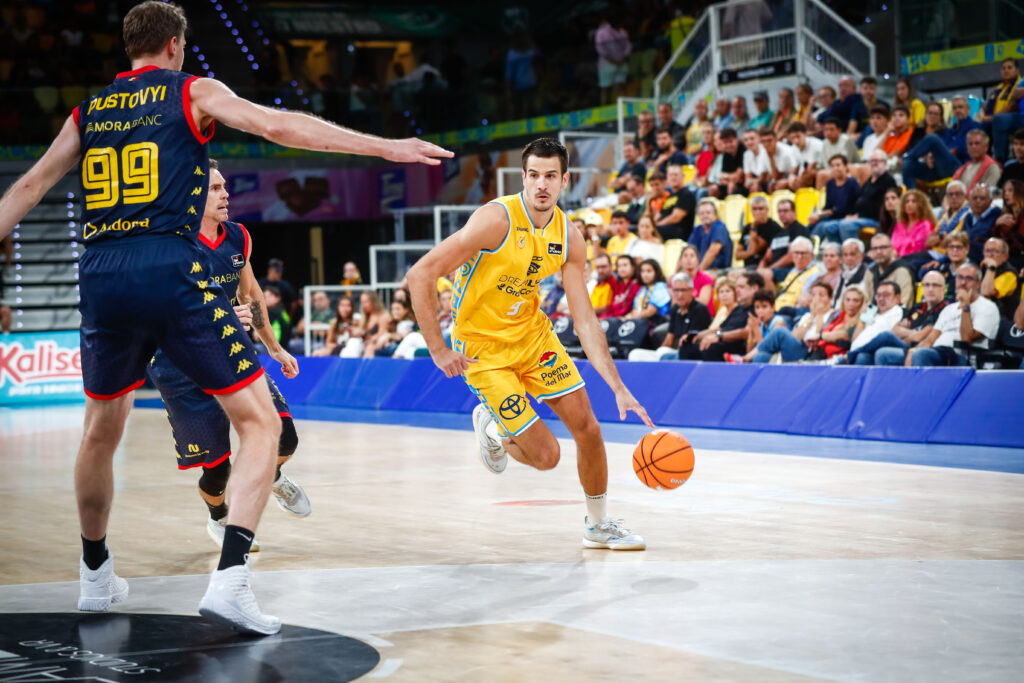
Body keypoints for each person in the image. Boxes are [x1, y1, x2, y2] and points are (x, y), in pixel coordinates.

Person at [0, 0, 450, 636]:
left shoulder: (88, 110)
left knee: (99, 432)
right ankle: (232, 581)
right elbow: (280, 127)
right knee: (260, 422)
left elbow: (28, 189)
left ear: (130, 49)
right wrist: (385, 146)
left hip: (100, 272)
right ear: (177, 45)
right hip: (168, 267)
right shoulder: (193, 90)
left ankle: (95, 576)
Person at [406, 138, 652, 551]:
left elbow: (586, 320)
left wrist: (618, 386)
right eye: (534, 175)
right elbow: (420, 274)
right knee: (547, 456)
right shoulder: (494, 221)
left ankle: (598, 524)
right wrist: (438, 349)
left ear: (564, 181)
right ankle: (494, 427)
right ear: (523, 178)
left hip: (533, 338)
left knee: (588, 427)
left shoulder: (570, 236)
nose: (541, 184)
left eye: (550, 176)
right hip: (482, 352)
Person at [146, 160, 310, 559]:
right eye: (215, 189)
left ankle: (268, 474)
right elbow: (153, 311)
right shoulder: (169, 244)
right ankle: (218, 514)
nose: (225, 194)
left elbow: (250, 296)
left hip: (232, 352)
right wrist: (213, 314)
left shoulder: (237, 237)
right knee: (217, 469)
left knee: (285, 436)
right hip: (181, 363)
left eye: (224, 187)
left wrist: (275, 347)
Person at [906, 263, 1000, 366]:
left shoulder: (988, 307)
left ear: (978, 284)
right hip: (938, 353)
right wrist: (912, 352)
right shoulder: (949, 309)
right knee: (894, 354)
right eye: (959, 278)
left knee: (921, 355)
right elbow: (930, 339)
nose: (963, 283)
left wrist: (966, 306)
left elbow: (967, 337)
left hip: (964, 357)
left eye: (969, 279)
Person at [854, 271, 950, 365]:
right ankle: (855, 358)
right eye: (926, 285)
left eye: (935, 285)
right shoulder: (917, 307)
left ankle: (851, 355)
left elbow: (922, 337)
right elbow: (896, 330)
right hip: (906, 346)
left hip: (924, 350)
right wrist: (914, 334)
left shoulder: (946, 309)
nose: (930, 289)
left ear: (944, 289)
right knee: (863, 356)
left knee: (885, 339)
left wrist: (909, 334)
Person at [726, 281, 835, 363]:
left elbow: (819, 338)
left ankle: (744, 359)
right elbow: (795, 337)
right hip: (794, 349)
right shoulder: (807, 316)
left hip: (811, 353)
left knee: (779, 331)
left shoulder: (833, 315)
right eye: (813, 294)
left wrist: (819, 315)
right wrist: (811, 317)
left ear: (830, 299)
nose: (816, 298)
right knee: (760, 357)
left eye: (821, 295)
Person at [900, 97, 982, 189]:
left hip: (959, 167)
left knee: (932, 138)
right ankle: (911, 198)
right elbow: (942, 149)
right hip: (939, 167)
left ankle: (906, 156)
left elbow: (972, 149)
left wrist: (953, 150)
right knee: (907, 166)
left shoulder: (975, 127)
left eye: (960, 107)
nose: (957, 110)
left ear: (968, 109)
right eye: (954, 108)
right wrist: (931, 156)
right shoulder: (949, 131)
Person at [629, 272, 711, 361]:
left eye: (683, 290)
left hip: (689, 354)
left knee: (663, 353)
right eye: (676, 290)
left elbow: (691, 340)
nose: (680, 295)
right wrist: (659, 352)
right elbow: (669, 339)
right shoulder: (675, 309)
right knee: (635, 354)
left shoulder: (699, 309)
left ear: (691, 290)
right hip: (671, 352)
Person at [694, 271, 761, 361]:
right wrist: (696, 335)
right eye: (737, 287)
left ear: (754, 288)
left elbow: (745, 332)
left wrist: (719, 336)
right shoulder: (739, 309)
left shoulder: (757, 308)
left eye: (741, 287)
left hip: (737, 346)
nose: (737, 290)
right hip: (723, 340)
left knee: (710, 347)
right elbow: (720, 328)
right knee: (689, 346)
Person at [846, 281, 906, 363]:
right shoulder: (872, 313)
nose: (881, 299)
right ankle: (853, 354)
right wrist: (862, 319)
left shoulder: (902, 311)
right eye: (878, 296)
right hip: (868, 351)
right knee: (862, 357)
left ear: (898, 298)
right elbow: (855, 341)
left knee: (885, 335)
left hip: (890, 347)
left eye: (886, 295)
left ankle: (850, 356)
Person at [808, 155, 860, 243]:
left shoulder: (852, 182)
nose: (835, 168)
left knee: (822, 225)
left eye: (838, 165)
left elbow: (842, 209)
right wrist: (817, 214)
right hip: (832, 216)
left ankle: (811, 248)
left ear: (845, 166)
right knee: (809, 226)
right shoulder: (830, 184)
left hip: (846, 217)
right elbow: (828, 205)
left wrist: (820, 214)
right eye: (832, 166)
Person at [759, 199, 809, 282]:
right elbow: (766, 257)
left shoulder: (798, 229)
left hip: (790, 270)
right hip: (773, 269)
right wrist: (760, 268)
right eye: (779, 211)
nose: (782, 214)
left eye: (785, 211)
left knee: (765, 274)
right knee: (738, 274)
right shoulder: (777, 232)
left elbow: (790, 257)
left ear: (794, 212)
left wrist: (769, 268)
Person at [984, 58, 1024, 163]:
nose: (1006, 70)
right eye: (1003, 68)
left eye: (1009, 68)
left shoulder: (1019, 82)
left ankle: (1000, 160)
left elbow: (1014, 102)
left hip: (1016, 117)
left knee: (999, 120)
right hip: (998, 119)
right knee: (979, 126)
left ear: (1017, 70)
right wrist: (983, 115)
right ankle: (984, 161)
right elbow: (985, 106)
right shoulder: (998, 88)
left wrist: (992, 117)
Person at [868, 234, 916, 308]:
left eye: (883, 247)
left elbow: (903, 302)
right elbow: (867, 301)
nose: (878, 251)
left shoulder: (902, 271)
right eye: (875, 248)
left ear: (892, 248)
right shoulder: (870, 272)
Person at [951, 130, 1003, 196]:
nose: (973, 147)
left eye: (977, 143)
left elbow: (986, 195)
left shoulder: (993, 167)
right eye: (970, 144)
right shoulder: (963, 169)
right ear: (967, 148)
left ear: (986, 147)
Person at [979, 237, 1020, 318]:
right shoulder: (982, 269)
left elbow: (986, 292)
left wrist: (991, 267)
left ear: (1005, 256)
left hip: (1002, 319)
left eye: (995, 251)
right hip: (984, 314)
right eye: (987, 251)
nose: (990, 255)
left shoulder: (1009, 274)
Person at [736, 195, 780, 268]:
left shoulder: (772, 227)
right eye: (754, 209)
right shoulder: (747, 227)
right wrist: (750, 253)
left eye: (760, 209)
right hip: (746, 266)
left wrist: (753, 228)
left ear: (767, 209)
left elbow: (754, 250)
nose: (757, 212)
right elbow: (737, 255)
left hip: (760, 266)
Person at [595, 16, 630, 104]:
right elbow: (600, 49)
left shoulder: (622, 32)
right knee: (606, 88)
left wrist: (622, 59)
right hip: (608, 64)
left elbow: (627, 47)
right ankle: (604, 110)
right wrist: (615, 61)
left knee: (619, 86)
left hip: (619, 63)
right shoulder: (601, 32)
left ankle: (622, 108)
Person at [655, 164, 696, 241]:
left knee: (652, 231)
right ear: (667, 178)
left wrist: (657, 226)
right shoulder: (669, 196)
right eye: (671, 175)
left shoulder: (686, 194)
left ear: (683, 177)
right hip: (664, 229)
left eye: (676, 175)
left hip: (678, 233)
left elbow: (675, 218)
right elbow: (659, 215)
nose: (673, 177)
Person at [962, 184, 1001, 263]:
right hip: (965, 257)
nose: (978, 201)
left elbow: (980, 234)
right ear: (969, 200)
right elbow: (961, 238)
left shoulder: (996, 215)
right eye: (974, 198)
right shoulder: (968, 217)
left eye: (982, 198)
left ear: (990, 201)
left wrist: (966, 239)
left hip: (983, 258)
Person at [891, 190, 937, 257]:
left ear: (921, 205)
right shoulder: (899, 225)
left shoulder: (926, 225)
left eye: (914, 201)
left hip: (916, 260)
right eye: (907, 202)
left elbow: (921, 248)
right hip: (897, 260)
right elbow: (892, 246)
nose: (910, 204)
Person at [690, 200, 732, 271]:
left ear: (715, 215)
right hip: (701, 271)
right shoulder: (697, 229)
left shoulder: (719, 227)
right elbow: (688, 250)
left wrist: (699, 272)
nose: (705, 215)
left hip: (719, 270)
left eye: (708, 213)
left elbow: (713, 251)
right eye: (702, 213)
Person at [625, 259, 671, 325]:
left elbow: (650, 311)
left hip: (656, 324)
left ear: (656, 272)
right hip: (640, 322)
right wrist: (624, 318)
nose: (645, 274)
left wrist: (631, 318)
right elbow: (636, 310)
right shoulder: (643, 289)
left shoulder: (660, 286)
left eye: (649, 271)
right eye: (642, 271)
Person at [834, 237, 875, 308]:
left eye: (852, 254)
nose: (848, 258)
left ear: (861, 256)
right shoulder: (842, 274)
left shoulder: (868, 274)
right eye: (845, 255)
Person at [676, 244, 716, 312]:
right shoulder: (677, 280)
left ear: (697, 260)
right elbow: (674, 303)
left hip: (702, 316)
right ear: (680, 262)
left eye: (692, 256)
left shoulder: (706, 278)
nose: (689, 259)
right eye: (685, 256)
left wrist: (683, 299)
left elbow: (703, 302)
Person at [995, 178, 1024, 266]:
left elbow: (1019, 241)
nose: (1006, 194)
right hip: (1006, 254)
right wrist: (997, 225)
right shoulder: (1004, 216)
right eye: (1004, 191)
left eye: (1010, 190)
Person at [786, 122, 823, 189]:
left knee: (805, 177)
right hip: (806, 174)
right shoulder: (793, 148)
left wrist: (796, 179)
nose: (796, 141)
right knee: (782, 184)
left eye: (798, 136)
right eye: (792, 138)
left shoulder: (815, 144)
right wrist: (791, 177)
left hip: (821, 171)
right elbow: (794, 169)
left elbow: (810, 169)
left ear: (805, 134)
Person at [605, 254, 641, 318]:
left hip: (624, 319)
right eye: (619, 266)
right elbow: (612, 308)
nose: (622, 268)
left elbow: (627, 309)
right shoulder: (618, 285)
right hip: (612, 318)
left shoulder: (636, 284)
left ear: (633, 268)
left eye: (625, 265)